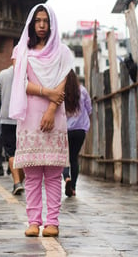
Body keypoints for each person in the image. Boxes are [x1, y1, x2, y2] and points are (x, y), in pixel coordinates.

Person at [9, 4, 74, 237]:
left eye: (46, 21)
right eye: (37, 21)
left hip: (54, 117)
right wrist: (47, 93)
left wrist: (51, 109)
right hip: (28, 118)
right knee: (33, 175)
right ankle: (33, 221)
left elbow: (62, 86)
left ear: (52, 23)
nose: (42, 25)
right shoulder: (21, 51)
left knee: (54, 175)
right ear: (31, 24)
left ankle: (52, 222)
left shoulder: (62, 53)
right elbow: (20, 84)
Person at [0, 66, 25, 195]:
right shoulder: (29, 72)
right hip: (25, 118)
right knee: (23, 152)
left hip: (7, 118)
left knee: (11, 152)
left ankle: (17, 182)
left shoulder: (3, 73)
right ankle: (18, 182)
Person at [63, 69, 92, 197]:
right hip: (80, 130)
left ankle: (66, 178)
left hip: (65, 131)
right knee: (74, 158)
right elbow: (89, 109)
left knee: (64, 158)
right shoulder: (83, 91)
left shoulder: (61, 92)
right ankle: (73, 187)